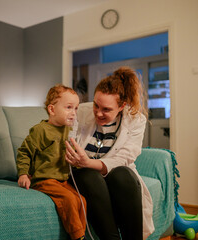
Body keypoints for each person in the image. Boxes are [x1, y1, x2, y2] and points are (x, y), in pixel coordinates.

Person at [65, 66, 154, 240]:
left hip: (112, 171)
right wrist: (81, 162)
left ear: (122, 106)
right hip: (84, 174)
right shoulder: (80, 111)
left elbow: (126, 157)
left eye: (106, 109)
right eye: (96, 105)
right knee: (90, 176)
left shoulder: (136, 120)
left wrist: (89, 162)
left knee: (124, 174)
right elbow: (65, 140)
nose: (98, 112)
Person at [16, 84, 86, 240]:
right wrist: (23, 174)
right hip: (44, 180)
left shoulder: (68, 131)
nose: (73, 113)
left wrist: (76, 161)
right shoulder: (41, 130)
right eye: (69, 107)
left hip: (62, 180)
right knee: (68, 199)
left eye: (76, 109)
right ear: (52, 110)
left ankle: (81, 233)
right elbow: (24, 152)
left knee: (81, 200)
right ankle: (78, 236)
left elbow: (70, 157)